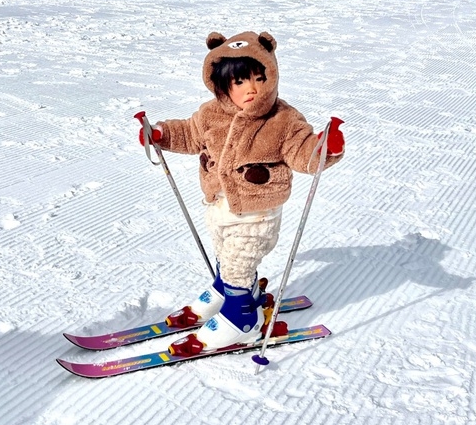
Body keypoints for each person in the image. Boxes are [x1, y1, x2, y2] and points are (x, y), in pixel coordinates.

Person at [137, 31, 345, 355]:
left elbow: (302, 151)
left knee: (238, 261)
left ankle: (242, 320)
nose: (251, 89)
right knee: (226, 257)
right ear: (222, 85)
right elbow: (189, 134)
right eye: (239, 82)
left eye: (259, 79)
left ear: (271, 77)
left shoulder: (283, 119)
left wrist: (322, 149)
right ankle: (230, 291)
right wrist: (162, 134)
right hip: (220, 208)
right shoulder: (210, 114)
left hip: (257, 215)